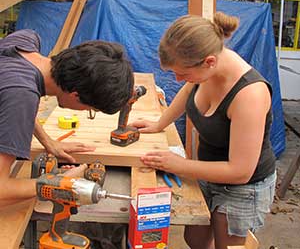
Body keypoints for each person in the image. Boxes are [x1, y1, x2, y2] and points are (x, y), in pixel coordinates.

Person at [131, 13, 276, 249]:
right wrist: (159, 123)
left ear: (209, 61)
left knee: (227, 245)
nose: (179, 80)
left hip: (243, 187)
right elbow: (189, 91)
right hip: (208, 171)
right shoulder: (206, 69)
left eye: (183, 74)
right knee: (195, 239)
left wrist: (179, 165)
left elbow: (241, 171)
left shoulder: (250, 95)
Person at [0, 29, 134, 206]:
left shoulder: (25, 39)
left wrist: (48, 141)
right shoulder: (21, 95)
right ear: (75, 95)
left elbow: (15, 101)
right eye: (90, 110)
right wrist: (59, 182)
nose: (87, 111)